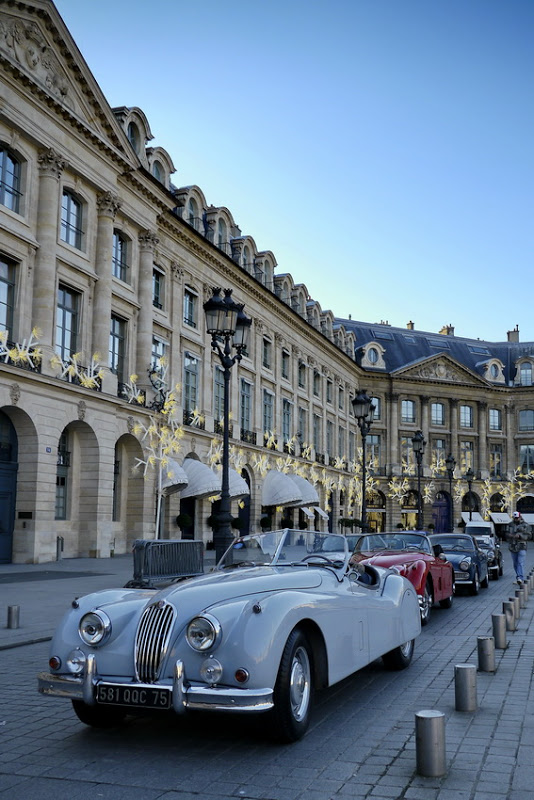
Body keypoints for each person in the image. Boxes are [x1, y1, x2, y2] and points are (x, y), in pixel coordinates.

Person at [507, 511, 531, 585]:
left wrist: (520, 536)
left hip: (522, 546)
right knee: (515, 563)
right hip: (513, 546)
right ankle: (518, 577)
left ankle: (520, 578)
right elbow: (505, 533)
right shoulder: (510, 525)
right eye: (514, 518)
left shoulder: (525, 525)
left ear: (520, 517)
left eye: (517, 518)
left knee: (520, 562)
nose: (516, 519)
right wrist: (509, 535)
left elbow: (529, 536)